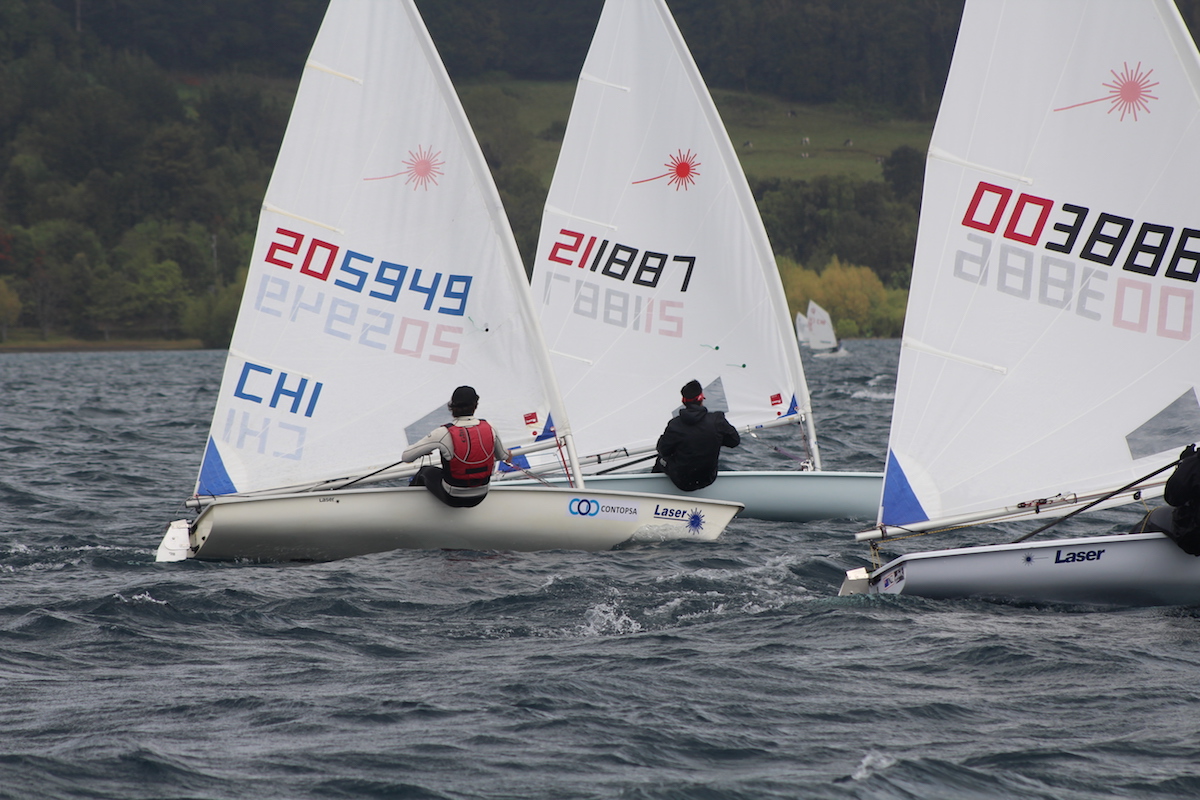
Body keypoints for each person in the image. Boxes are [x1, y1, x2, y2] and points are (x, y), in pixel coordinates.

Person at [402, 385, 510, 508]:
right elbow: (502, 456)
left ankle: (409, 507)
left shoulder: (443, 433)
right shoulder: (490, 427)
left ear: (451, 406)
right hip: (480, 496)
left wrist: (424, 450)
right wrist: (509, 454)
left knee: (425, 471)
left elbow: (406, 457)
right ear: (475, 405)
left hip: (452, 497)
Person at [652, 379, 740, 491]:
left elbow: (663, 450)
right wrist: (714, 438)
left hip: (682, 482)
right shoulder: (717, 420)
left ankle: (652, 490)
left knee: (660, 460)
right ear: (702, 398)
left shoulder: (675, 424)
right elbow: (734, 441)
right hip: (708, 479)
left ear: (683, 401)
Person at [1132, 443, 1200, 555]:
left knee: (1152, 516)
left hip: (1194, 538)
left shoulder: (1195, 463)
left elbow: (1173, 498)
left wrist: (1185, 463)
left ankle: (1129, 555)